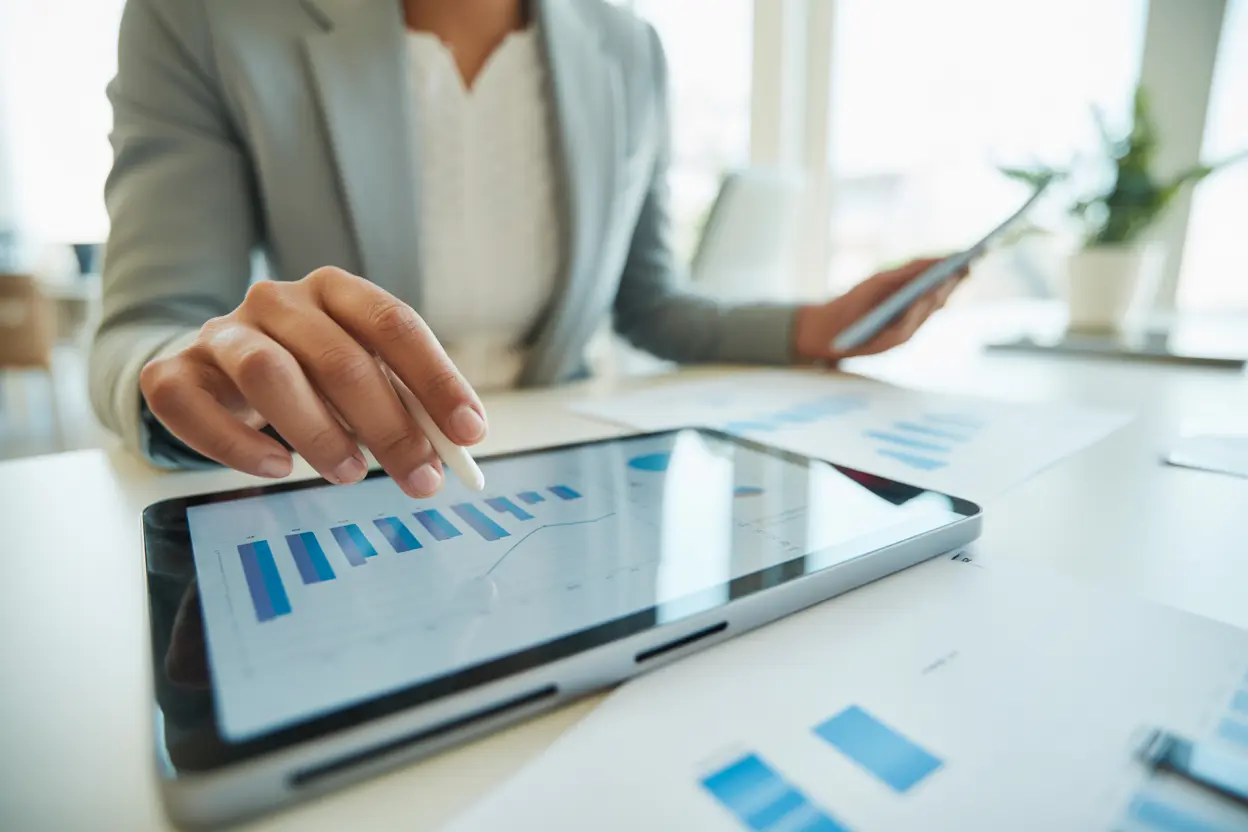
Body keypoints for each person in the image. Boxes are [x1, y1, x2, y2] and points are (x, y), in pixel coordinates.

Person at [90, 0, 960, 500]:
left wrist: (811, 326)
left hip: (578, 470)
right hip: (339, 483)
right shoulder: (206, 16)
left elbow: (651, 304)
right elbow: (151, 325)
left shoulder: (627, 46)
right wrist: (194, 367)